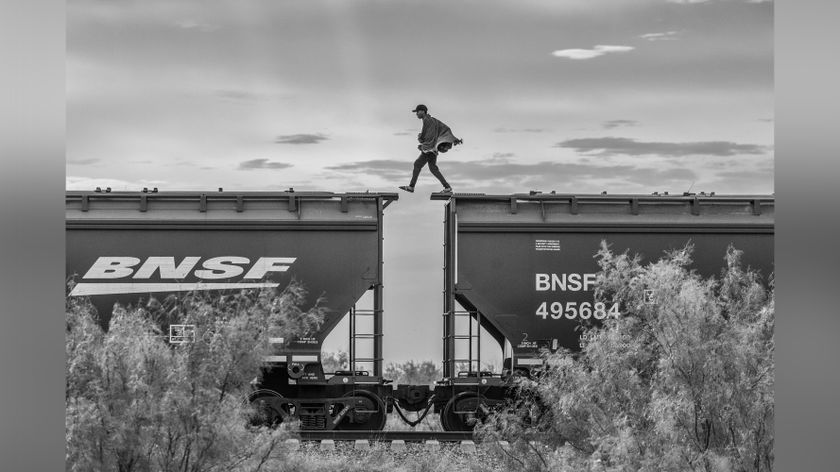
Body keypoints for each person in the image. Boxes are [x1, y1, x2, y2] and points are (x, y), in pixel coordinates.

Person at [399, 104, 463, 193]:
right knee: (433, 168)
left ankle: (411, 187)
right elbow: (429, 135)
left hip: (430, 149)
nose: (416, 114)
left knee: (418, 164)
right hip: (432, 149)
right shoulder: (429, 120)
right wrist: (422, 138)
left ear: (422, 111)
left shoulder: (428, 120)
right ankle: (447, 187)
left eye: (417, 112)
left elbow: (431, 137)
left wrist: (423, 146)